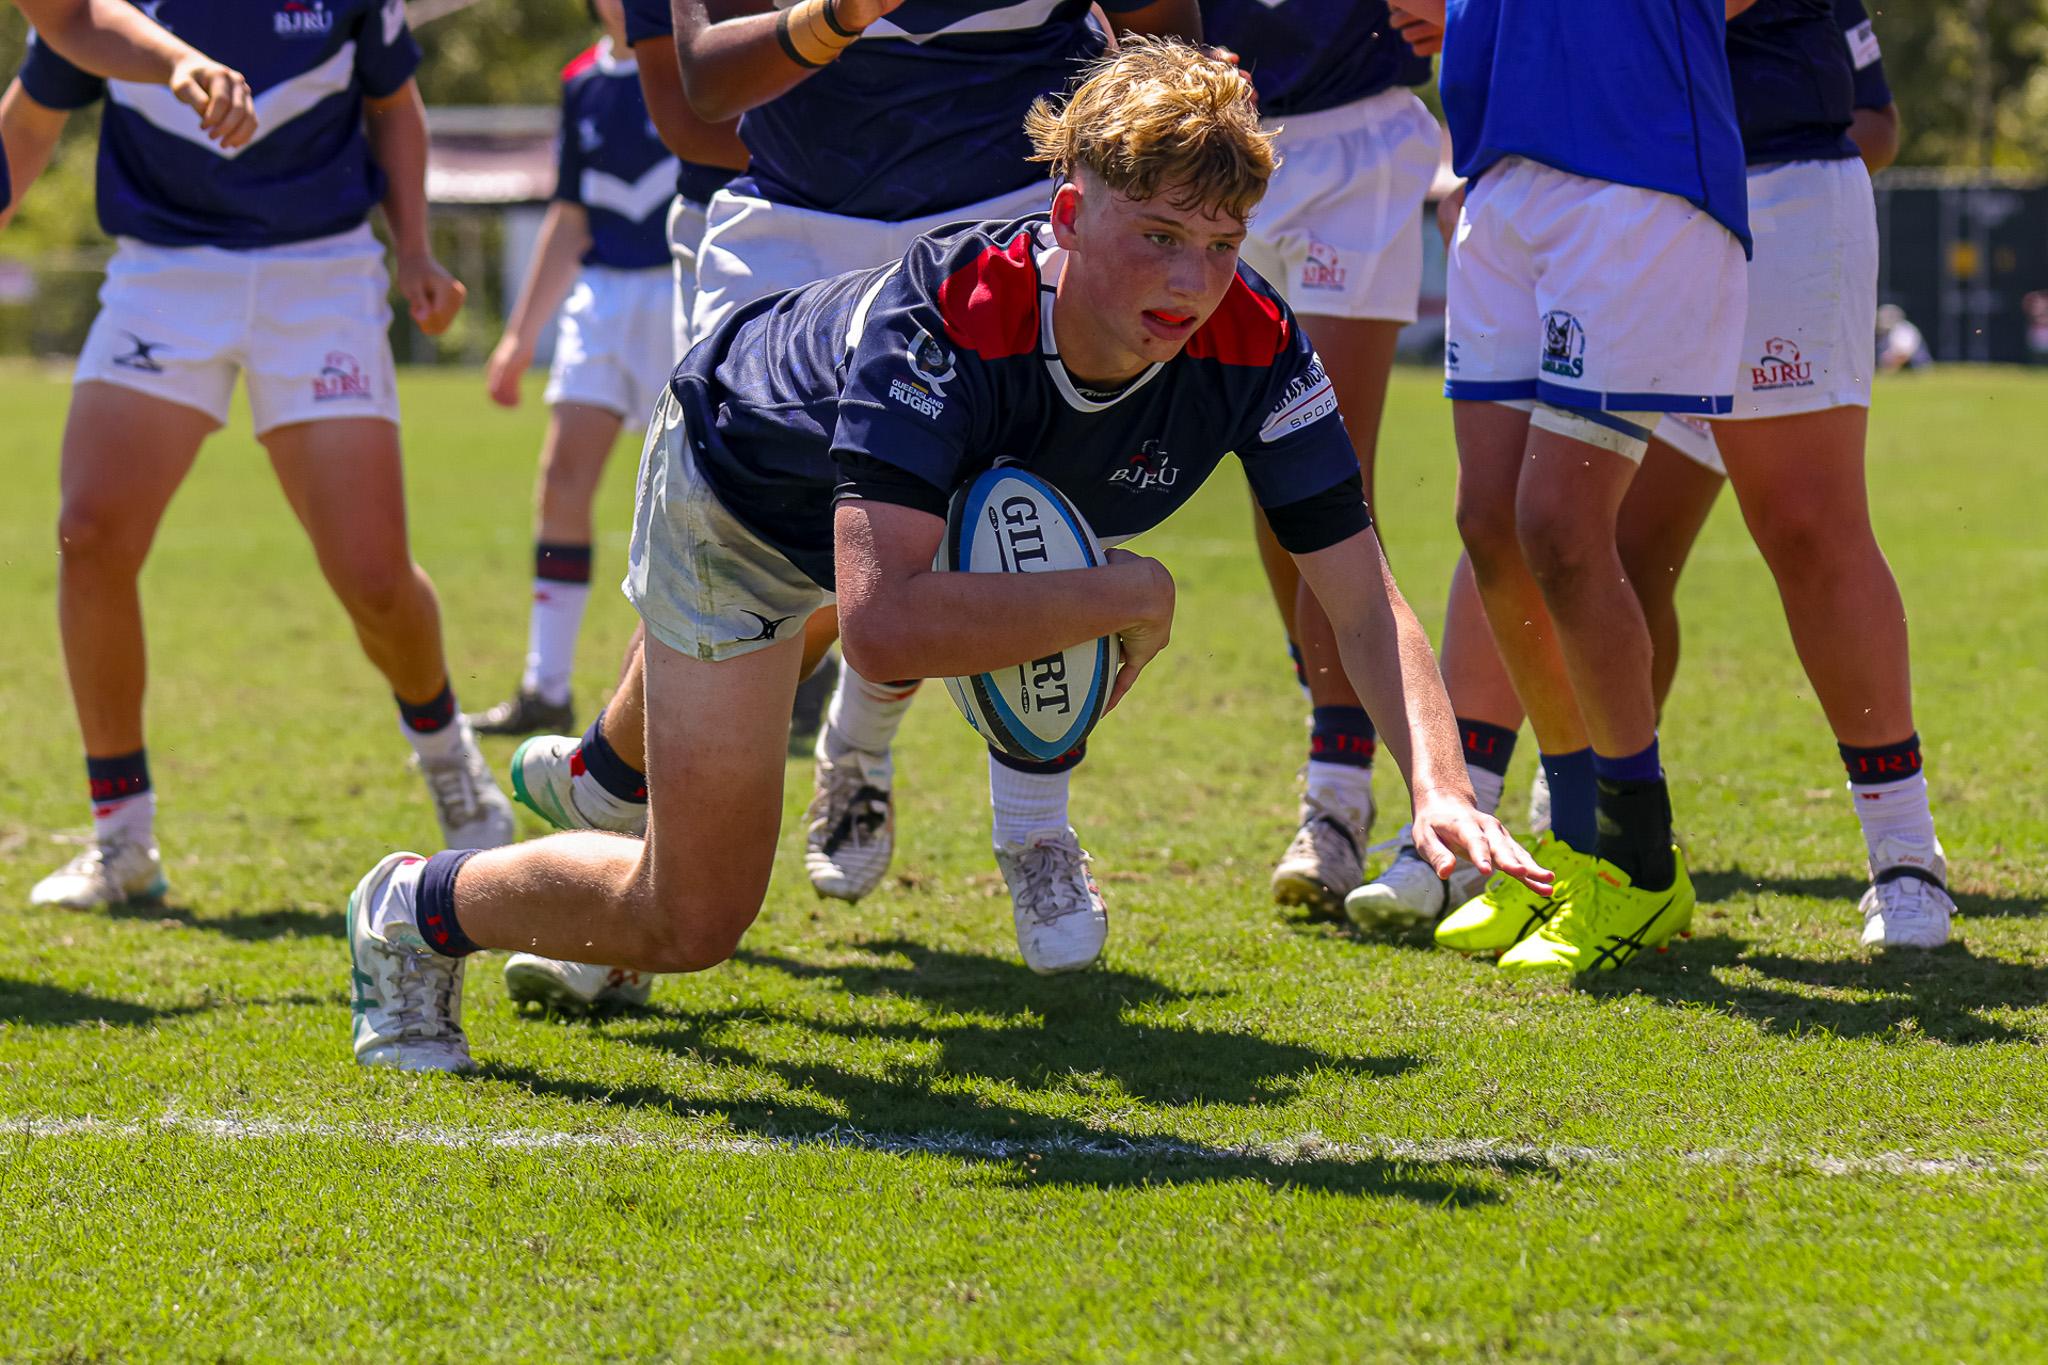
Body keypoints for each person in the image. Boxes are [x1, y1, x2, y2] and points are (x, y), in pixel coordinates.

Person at [344, 40, 1550, 1072]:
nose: (1190, 281)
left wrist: (1440, 787)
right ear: (1066, 213)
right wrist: (1132, 591)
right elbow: (879, 628)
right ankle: (413, 906)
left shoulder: (1253, 341)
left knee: (695, 874)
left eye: (1222, 241)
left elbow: (1356, 587)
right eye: (1158, 235)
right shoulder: (951, 317)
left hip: (898, 517)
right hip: (741, 501)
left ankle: (600, 788)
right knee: (695, 915)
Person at [494, 0, 1204, 1011]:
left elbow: (1157, 35)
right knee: (734, 542)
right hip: (790, 228)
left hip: (1002, 216)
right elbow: (697, 104)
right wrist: (840, 14)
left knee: (1009, 519)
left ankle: (1030, 828)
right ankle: (620, 842)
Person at [1368, 0, 1953, 955]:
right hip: (1564, 171)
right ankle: (1579, 848)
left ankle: (1903, 852)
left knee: (1805, 523)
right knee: (1561, 536)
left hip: (1762, 173)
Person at [8, 0, 514, 913]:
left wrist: (416, 253)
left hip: (318, 276)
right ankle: (122, 839)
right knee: (89, 533)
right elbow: (34, 116)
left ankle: (449, 758)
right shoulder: (99, 10)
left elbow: (394, 104)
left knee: (373, 577)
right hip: (164, 276)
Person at [1368, 0, 1751, 980]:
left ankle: (1638, 862)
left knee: (1560, 528)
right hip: (1502, 172)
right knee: (1490, 525)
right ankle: (1574, 853)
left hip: (1634, 166)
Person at [1194, 0, 1442, 919]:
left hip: (1359, 144)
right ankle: (1337, 736)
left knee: (1325, 464)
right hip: (1218, 137)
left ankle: (1335, 799)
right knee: (1270, 472)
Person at [470, 1, 691, 738]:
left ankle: (728, 679)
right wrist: (517, 335)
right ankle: (545, 688)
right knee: (561, 480)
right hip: (601, 299)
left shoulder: (697, 60)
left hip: (683, 288)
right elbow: (570, 215)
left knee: (688, 499)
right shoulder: (581, 84)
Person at [0, 0, 253, 229]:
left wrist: (177, 61)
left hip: (292, 254)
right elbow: (71, 17)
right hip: (157, 261)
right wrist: (174, 59)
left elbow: (71, 17)